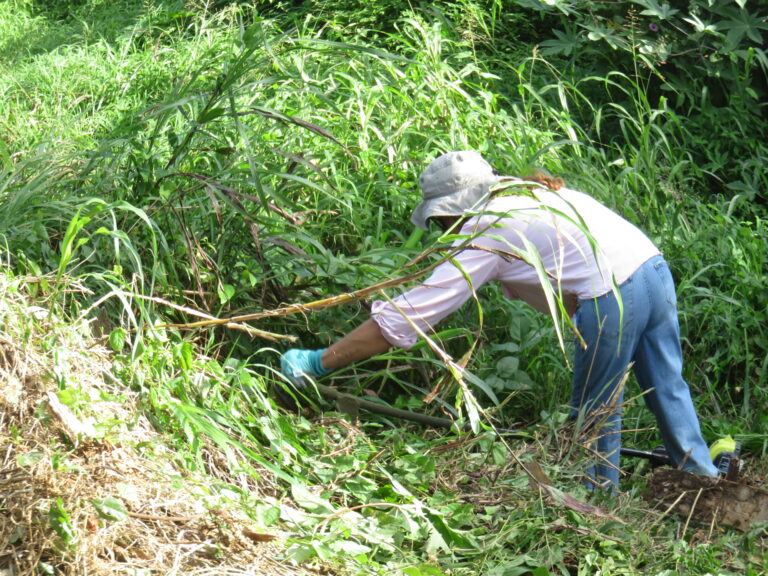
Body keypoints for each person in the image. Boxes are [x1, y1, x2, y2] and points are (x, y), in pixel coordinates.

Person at [280, 150, 718, 490]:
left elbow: (407, 318)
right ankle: (702, 479)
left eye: (442, 219)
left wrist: (321, 361)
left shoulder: (488, 229)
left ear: (456, 207)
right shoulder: (529, 194)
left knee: (595, 413)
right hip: (653, 269)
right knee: (666, 384)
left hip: (613, 293)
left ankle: (595, 509)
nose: (442, 231)